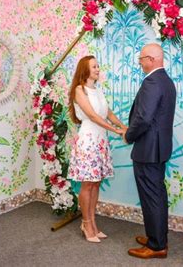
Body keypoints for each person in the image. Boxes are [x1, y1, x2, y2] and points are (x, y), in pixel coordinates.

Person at [123, 43, 177, 259]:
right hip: (159, 149)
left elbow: (143, 118)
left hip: (148, 150)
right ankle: (157, 237)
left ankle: (156, 246)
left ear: (152, 59)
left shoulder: (152, 82)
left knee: (152, 197)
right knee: (157, 195)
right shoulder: (167, 82)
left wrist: (128, 135)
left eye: (142, 58)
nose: (140, 62)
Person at [67, 55, 127, 243]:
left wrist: (124, 126)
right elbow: (92, 116)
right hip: (88, 141)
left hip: (100, 142)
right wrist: (116, 131)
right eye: (94, 66)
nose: (98, 69)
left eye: (98, 66)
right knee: (88, 184)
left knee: (96, 183)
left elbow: (108, 113)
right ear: (85, 69)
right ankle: (86, 223)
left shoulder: (98, 90)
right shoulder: (79, 90)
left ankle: (92, 222)